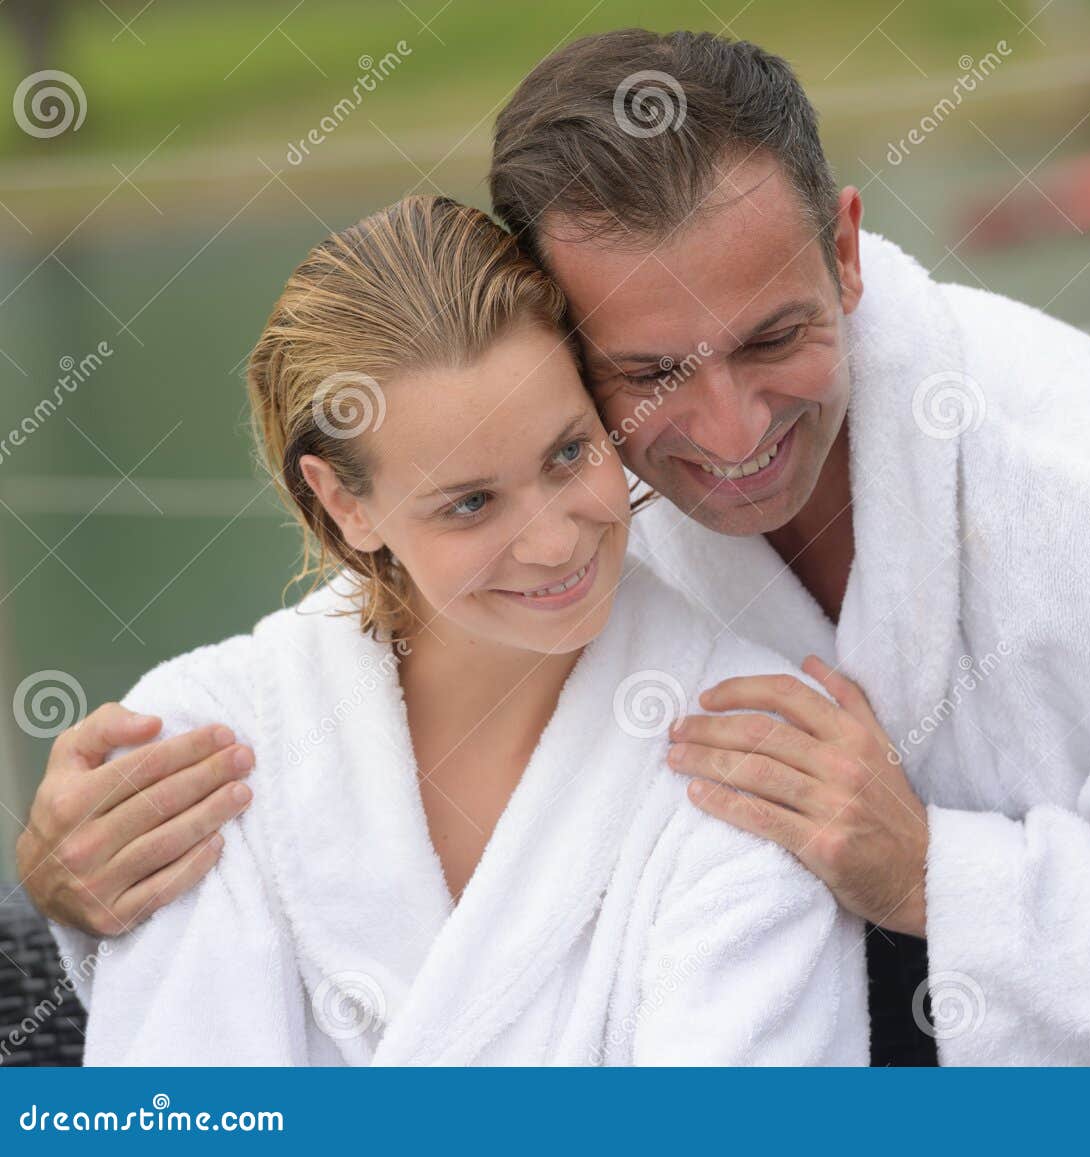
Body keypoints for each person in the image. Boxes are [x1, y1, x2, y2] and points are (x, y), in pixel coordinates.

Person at [21, 30, 1090, 1066]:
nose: (727, 434)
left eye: (778, 335)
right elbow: (430, 542)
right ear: (556, 338)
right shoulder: (574, 505)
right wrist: (82, 876)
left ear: (848, 247)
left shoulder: (1087, 491)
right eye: (649, 374)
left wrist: (936, 875)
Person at [45, 195, 868, 1065]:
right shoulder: (198, 747)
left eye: (568, 455)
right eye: (470, 503)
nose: (555, 541)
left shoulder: (755, 747)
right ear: (345, 502)